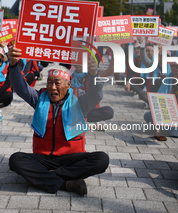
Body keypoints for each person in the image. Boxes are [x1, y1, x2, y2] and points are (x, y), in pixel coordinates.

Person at [8, 47, 109, 195]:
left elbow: (95, 95)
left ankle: (43, 177)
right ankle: (65, 183)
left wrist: (94, 75)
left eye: (57, 83)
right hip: (44, 157)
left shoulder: (79, 100)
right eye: (49, 82)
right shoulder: (39, 97)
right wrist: (12, 64)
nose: (52, 87)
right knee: (15, 160)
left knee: (102, 159)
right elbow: (21, 88)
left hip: (71, 158)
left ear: (68, 85)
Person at [143, 62, 178, 140]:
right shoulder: (161, 81)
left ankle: (167, 130)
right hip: (164, 114)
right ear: (171, 68)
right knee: (148, 115)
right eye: (175, 67)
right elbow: (152, 100)